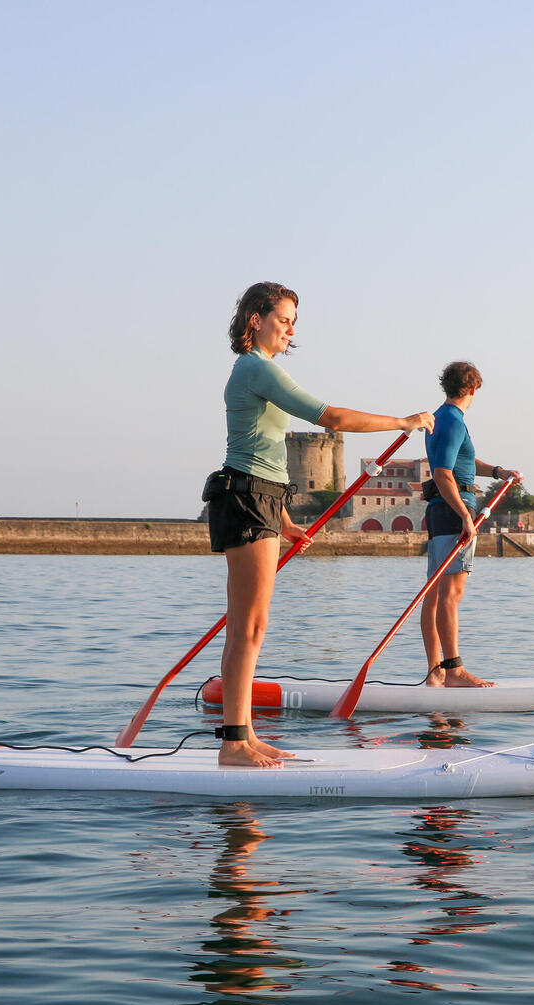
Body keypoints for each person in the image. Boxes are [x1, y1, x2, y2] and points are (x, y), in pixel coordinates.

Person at [206, 281, 434, 768]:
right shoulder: (255, 368)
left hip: (261, 499)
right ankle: (232, 743)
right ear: (256, 321)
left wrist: (285, 521)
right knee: (246, 627)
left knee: (254, 627)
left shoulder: (258, 371)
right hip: (245, 500)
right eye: (283, 319)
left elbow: (262, 457)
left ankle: (242, 736)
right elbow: (328, 416)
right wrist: (402, 421)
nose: (290, 329)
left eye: (293, 322)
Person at [419, 361, 521, 688]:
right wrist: (465, 514)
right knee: (451, 594)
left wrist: (498, 472)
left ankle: (436, 671)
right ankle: (454, 671)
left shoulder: (442, 418)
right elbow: (442, 474)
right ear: (473, 389)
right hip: (452, 512)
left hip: (439, 511)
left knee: (435, 594)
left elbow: (461, 462)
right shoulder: (452, 420)